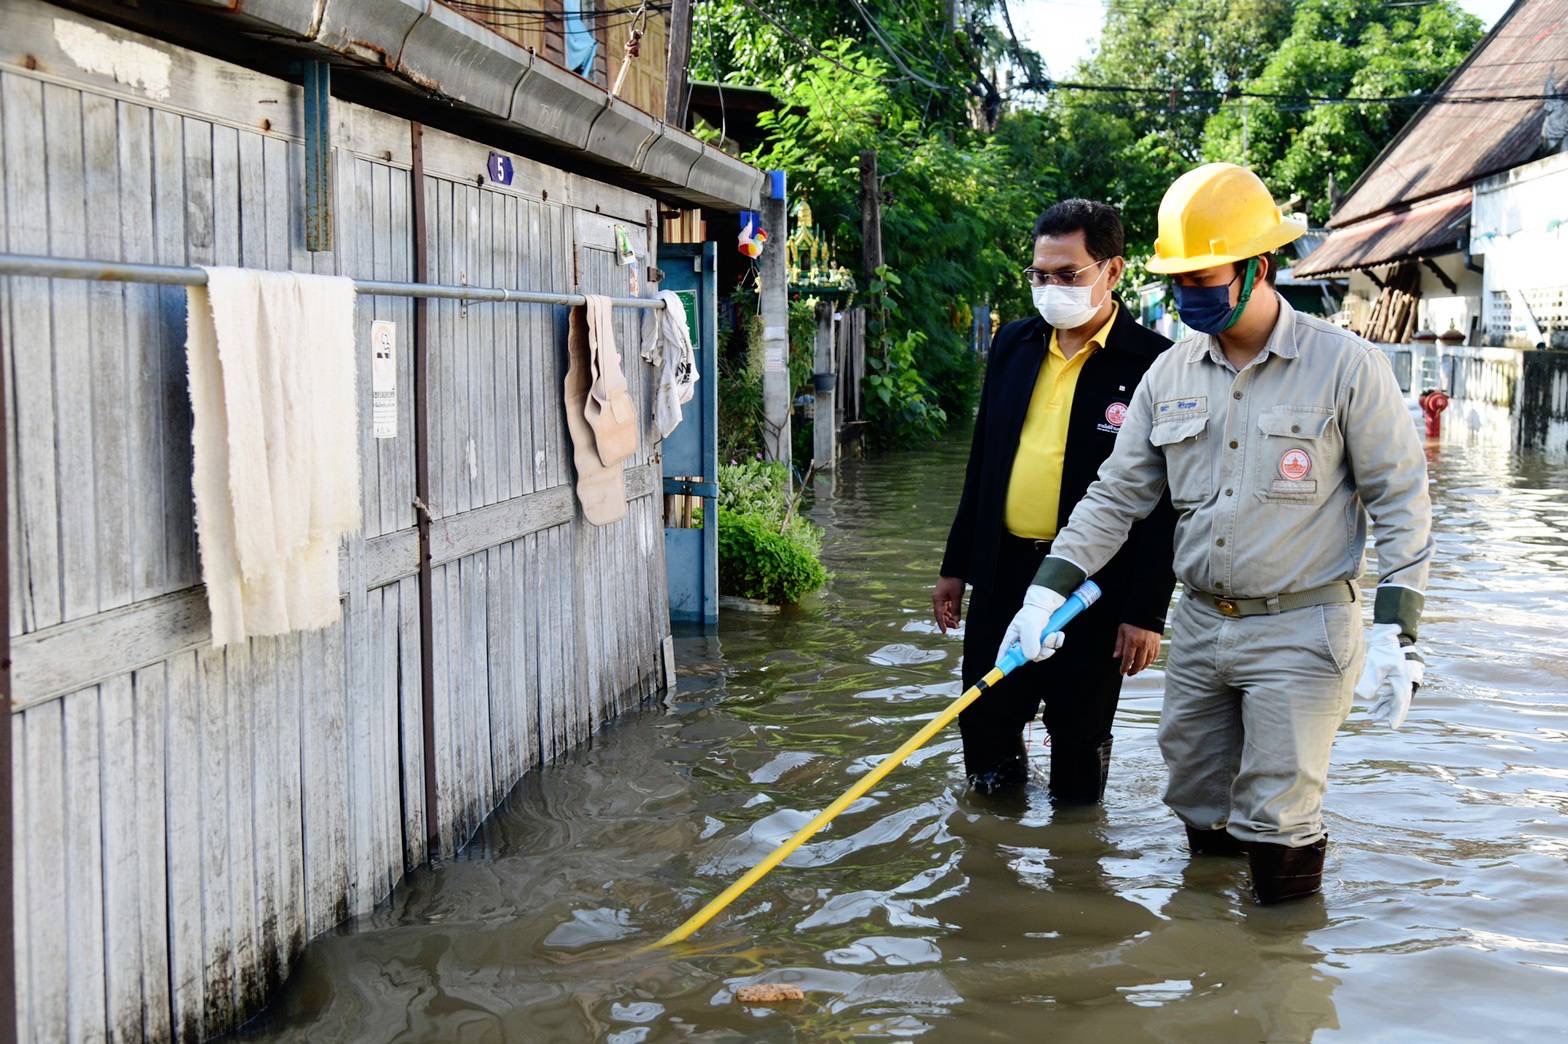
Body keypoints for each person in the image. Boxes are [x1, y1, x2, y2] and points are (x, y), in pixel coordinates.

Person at [1002, 164, 1432, 903]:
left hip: (1303, 625)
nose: (1189, 293)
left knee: (1278, 811)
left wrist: (1399, 631)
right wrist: (1044, 595)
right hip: (1199, 625)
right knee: (1196, 794)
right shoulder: (1169, 375)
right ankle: (1209, 962)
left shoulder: (1345, 368)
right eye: (1180, 279)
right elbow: (1115, 497)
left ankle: (1280, 969)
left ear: (1258, 267)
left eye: (1205, 276)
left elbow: (1402, 506)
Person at [934, 199, 1178, 803]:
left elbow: (1166, 502)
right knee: (986, 723)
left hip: (1096, 586)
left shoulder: (1154, 364)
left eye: (1068, 275)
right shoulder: (1014, 345)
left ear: (1113, 271)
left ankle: (1076, 867)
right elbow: (983, 465)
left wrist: (1146, 613)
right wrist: (956, 566)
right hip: (1003, 571)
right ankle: (993, 858)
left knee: (1078, 739)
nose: (1050, 288)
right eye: (1040, 275)